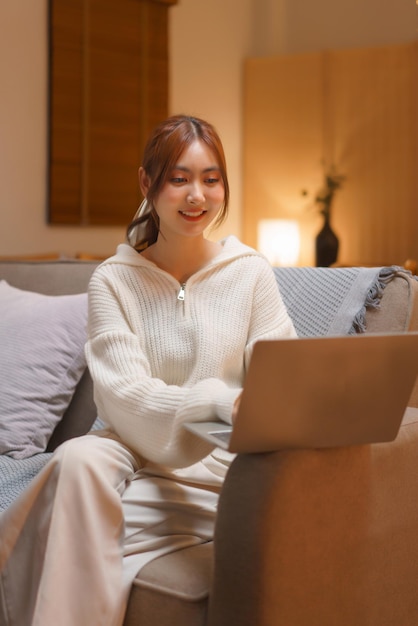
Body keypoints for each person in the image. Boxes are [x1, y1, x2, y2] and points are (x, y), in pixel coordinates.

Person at [0, 114, 297, 625]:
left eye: (211, 179)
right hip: (126, 451)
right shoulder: (113, 281)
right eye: (178, 179)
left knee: (59, 511)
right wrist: (217, 401)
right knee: (77, 460)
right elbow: (124, 396)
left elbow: (285, 376)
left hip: (217, 467)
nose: (196, 196)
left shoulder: (250, 273)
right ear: (147, 183)